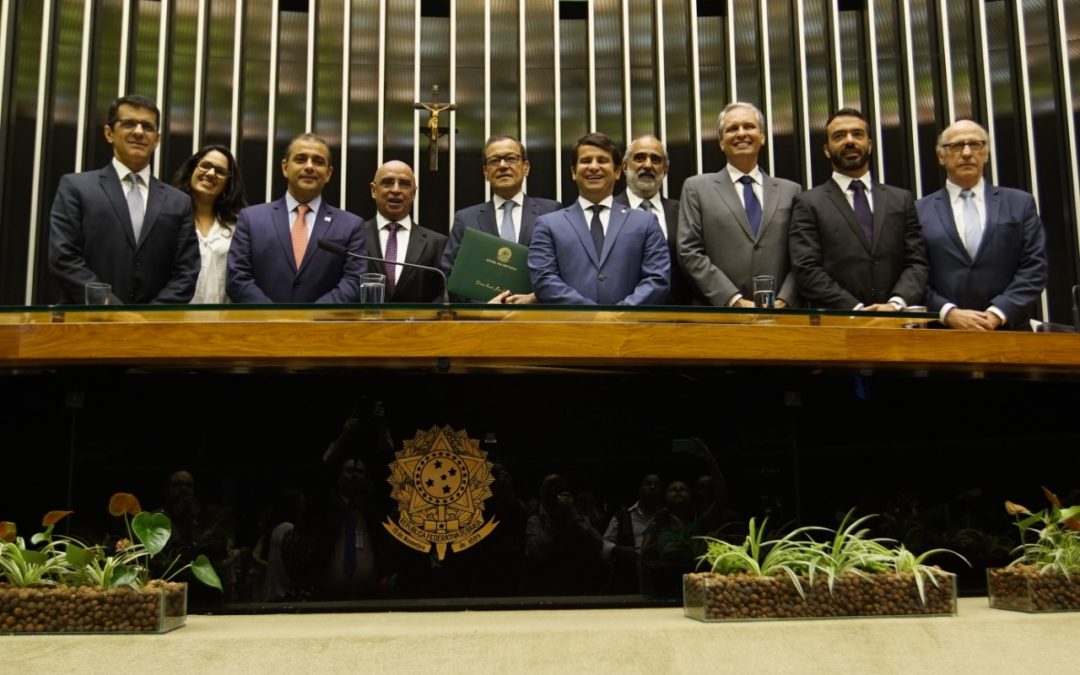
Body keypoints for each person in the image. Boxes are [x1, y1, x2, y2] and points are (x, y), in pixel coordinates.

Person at [49, 94, 199, 304]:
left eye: (147, 127)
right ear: (109, 132)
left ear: (157, 139)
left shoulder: (179, 202)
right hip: (88, 324)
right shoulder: (76, 188)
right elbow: (63, 258)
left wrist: (148, 318)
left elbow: (187, 271)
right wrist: (113, 310)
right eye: (129, 123)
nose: (138, 132)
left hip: (154, 329)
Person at [789, 108, 928, 310]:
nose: (849, 141)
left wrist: (895, 304)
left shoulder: (901, 199)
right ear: (827, 149)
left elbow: (917, 262)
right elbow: (806, 269)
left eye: (857, 134)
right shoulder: (808, 203)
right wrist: (856, 308)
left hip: (897, 322)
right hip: (837, 325)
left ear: (869, 145)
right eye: (839, 136)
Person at [915, 120, 1048, 330]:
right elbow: (913, 273)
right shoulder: (918, 211)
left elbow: (1035, 267)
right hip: (943, 335)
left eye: (975, 145)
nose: (967, 153)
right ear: (941, 156)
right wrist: (947, 312)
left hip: (1009, 331)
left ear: (985, 153)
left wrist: (997, 313)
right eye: (957, 146)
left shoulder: (1019, 204)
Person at [677, 103, 802, 307]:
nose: (741, 133)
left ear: (762, 137)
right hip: (718, 318)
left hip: (780, 316)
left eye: (749, 127)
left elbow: (802, 255)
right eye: (732, 129)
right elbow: (689, 252)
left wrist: (785, 299)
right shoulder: (697, 188)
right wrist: (733, 300)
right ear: (721, 142)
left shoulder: (791, 191)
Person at [528, 132, 670, 305]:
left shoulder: (646, 222)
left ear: (618, 171)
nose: (594, 167)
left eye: (602, 161)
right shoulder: (548, 225)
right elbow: (544, 280)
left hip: (629, 328)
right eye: (586, 161)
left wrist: (619, 315)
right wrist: (593, 315)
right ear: (573, 172)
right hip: (568, 328)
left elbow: (658, 279)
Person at [227, 133, 367, 303]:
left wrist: (311, 317)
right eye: (301, 159)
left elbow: (353, 281)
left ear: (329, 173)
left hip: (323, 326)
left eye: (318, 161)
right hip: (263, 325)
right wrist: (273, 317)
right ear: (285, 167)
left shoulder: (351, 225)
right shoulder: (251, 218)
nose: (309, 166)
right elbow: (237, 277)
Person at [440, 134, 561, 304]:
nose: (503, 166)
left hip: (537, 318)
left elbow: (566, 269)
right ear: (485, 172)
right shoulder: (465, 218)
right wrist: (484, 307)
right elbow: (449, 276)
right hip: (483, 322)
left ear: (526, 167)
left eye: (511, 158)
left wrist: (537, 297)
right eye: (494, 161)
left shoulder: (551, 211)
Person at [614, 135, 691, 305]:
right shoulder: (607, 211)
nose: (648, 165)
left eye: (655, 160)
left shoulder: (684, 212)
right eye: (640, 158)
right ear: (625, 167)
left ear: (665, 169)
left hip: (677, 321)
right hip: (621, 317)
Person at [363, 160, 448, 303]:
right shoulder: (354, 236)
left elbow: (444, 292)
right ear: (373, 190)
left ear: (414, 193)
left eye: (404, 184)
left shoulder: (437, 243)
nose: (396, 190)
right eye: (388, 182)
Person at [171, 145, 247, 303]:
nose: (211, 174)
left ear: (227, 182)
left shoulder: (238, 224)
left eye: (220, 171)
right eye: (205, 166)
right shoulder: (169, 215)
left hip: (222, 321)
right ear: (192, 169)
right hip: (173, 316)